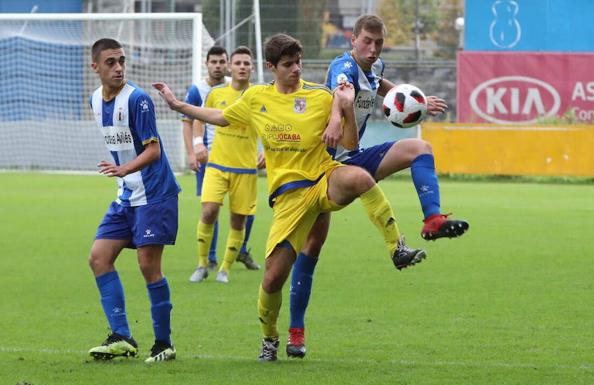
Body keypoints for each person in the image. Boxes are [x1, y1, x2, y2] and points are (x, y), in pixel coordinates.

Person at [153, 33, 426, 362]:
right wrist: (178, 105)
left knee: (360, 177)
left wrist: (346, 108)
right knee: (272, 279)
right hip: (288, 197)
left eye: (298, 62)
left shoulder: (319, 96)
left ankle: (397, 247)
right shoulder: (256, 99)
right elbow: (220, 117)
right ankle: (269, 338)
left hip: (323, 177)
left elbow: (351, 145)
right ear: (271, 67)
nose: (296, 69)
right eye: (288, 65)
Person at [286, 14, 470, 359]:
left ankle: (432, 220)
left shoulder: (374, 64)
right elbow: (341, 94)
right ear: (352, 40)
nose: (372, 49)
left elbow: (378, 80)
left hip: (354, 157)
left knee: (420, 149)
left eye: (379, 43)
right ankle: (295, 331)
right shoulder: (342, 67)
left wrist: (410, 98)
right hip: (324, 167)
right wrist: (338, 118)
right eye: (366, 42)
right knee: (310, 249)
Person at [87, 38, 178, 363]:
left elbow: (153, 151)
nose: (119, 67)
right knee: (98, 257)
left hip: (154, 194)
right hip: (127, 194)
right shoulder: (95, 100)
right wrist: (124, 174)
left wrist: (123, 168)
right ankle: (122, 335)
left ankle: (164, 344)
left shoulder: (138, 100)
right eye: (110, 62)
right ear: (95, 66)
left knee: (148, 267)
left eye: (122, 60)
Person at [183, 46, 260, 283]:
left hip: (246, 168)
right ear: (230, 67)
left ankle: (224, 269)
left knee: (239, 220)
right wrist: (197, 144)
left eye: (246, 63)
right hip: (217, 165)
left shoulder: (260, 95)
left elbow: (271, 124)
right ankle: (202, 264)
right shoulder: (215, 93)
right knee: (208, 211)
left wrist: (266, 152)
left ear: (252, 68)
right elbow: (199, 119)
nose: (242, 67)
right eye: (238, 63)